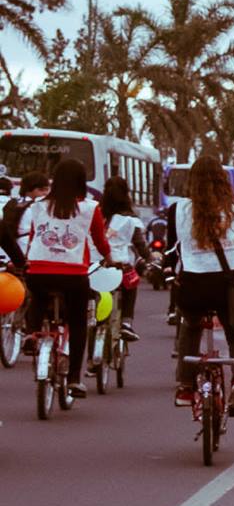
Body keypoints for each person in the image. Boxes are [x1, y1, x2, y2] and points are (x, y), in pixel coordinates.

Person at [166, 155, 234, 414]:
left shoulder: (178, 209)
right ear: (223, 180)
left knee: (191, 325)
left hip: (194, 282)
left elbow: (172, 251)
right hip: (230, 281)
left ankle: (186, 387)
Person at [18, 159, 115, 398]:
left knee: (38, 297)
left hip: (38, 269)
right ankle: (73, 378)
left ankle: (31, 333)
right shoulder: (90, 208)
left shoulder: (38, 206)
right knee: (78, 321)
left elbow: (33, 237)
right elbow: (100, 241)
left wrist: (28, 262)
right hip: (73, 274)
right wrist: (109, 258)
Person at [98, 176, 151, 341]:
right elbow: (140, 244)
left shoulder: (96, 214)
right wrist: (151, 259)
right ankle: (126, 323)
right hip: (121, 266)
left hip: (97, 265)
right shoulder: (130, 219)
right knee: (131, 285)